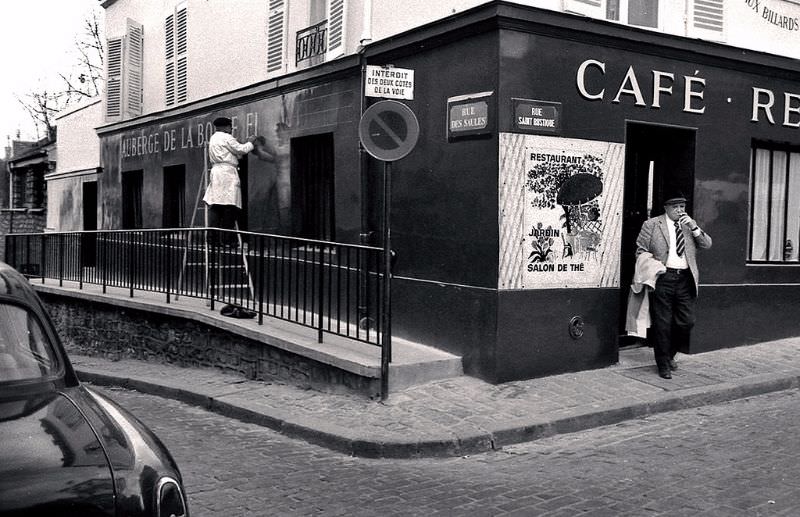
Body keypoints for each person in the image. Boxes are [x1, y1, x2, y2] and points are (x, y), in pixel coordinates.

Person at [635, 192, 712, 379]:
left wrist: (694, 227)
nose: (679, 211)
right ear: (666, 208)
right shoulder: (652, 225)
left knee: (687, 321)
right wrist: (655, 268)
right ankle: (663, 364)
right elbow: (640, 250)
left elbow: (707, 244)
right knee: (663, 323)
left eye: (682, 207)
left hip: (685, 279)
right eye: (675, 207)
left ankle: (669, 355)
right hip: (663, 278)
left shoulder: (688, 226)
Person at [203, 117, 257, 246]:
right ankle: (227, 238)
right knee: (230, 206)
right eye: (230, 126)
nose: (231, 129)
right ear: (225, 127)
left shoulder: (214, 138)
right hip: (227, 172)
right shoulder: (226, 137)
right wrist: (250, 142)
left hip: (216, 172)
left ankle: (212, 237)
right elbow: (241, 149)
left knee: (216, 204)